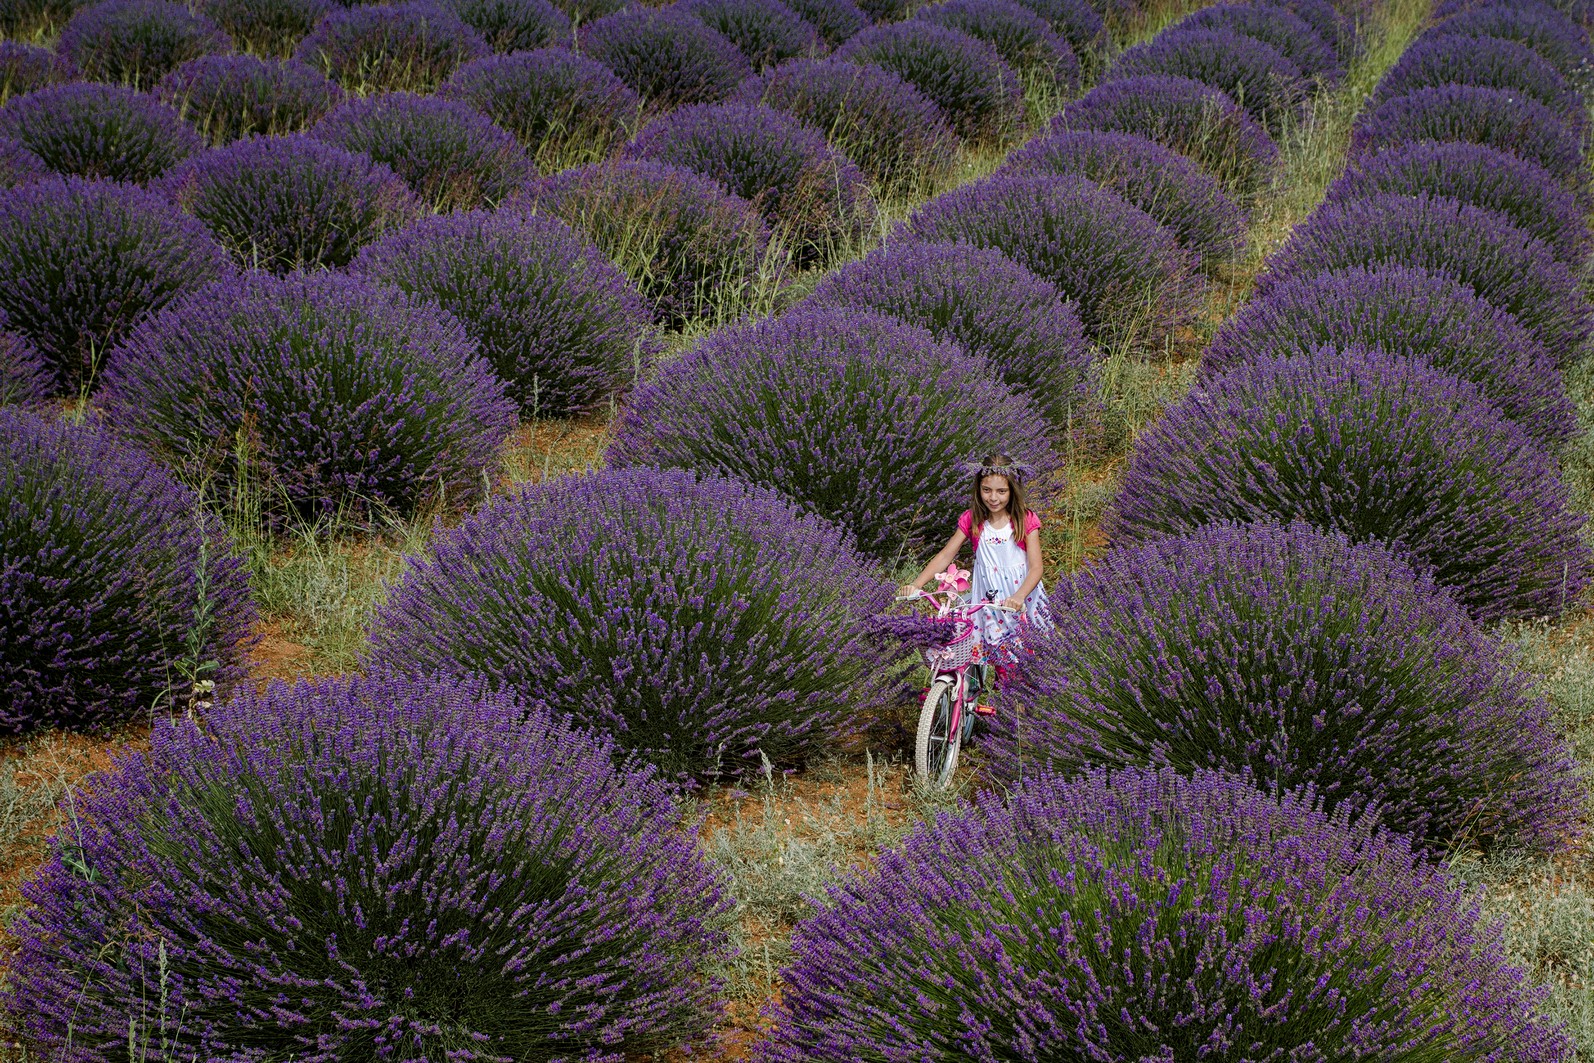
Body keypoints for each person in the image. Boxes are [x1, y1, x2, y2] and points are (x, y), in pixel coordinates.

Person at [897, 455, 1050, 691]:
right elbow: (945, 555)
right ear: (978, 489)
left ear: (1012, 491)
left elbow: (1037, 567)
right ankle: (992, 704)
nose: (993, 497)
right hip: (990, 601)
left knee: (1025, 663)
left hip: (1020, 598)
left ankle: (1021, 716)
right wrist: (917, 584)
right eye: (987, 490)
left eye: (1001, 491)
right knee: (1001, 661)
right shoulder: (973, 520)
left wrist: (1019, 596)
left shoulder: (1024, 519)